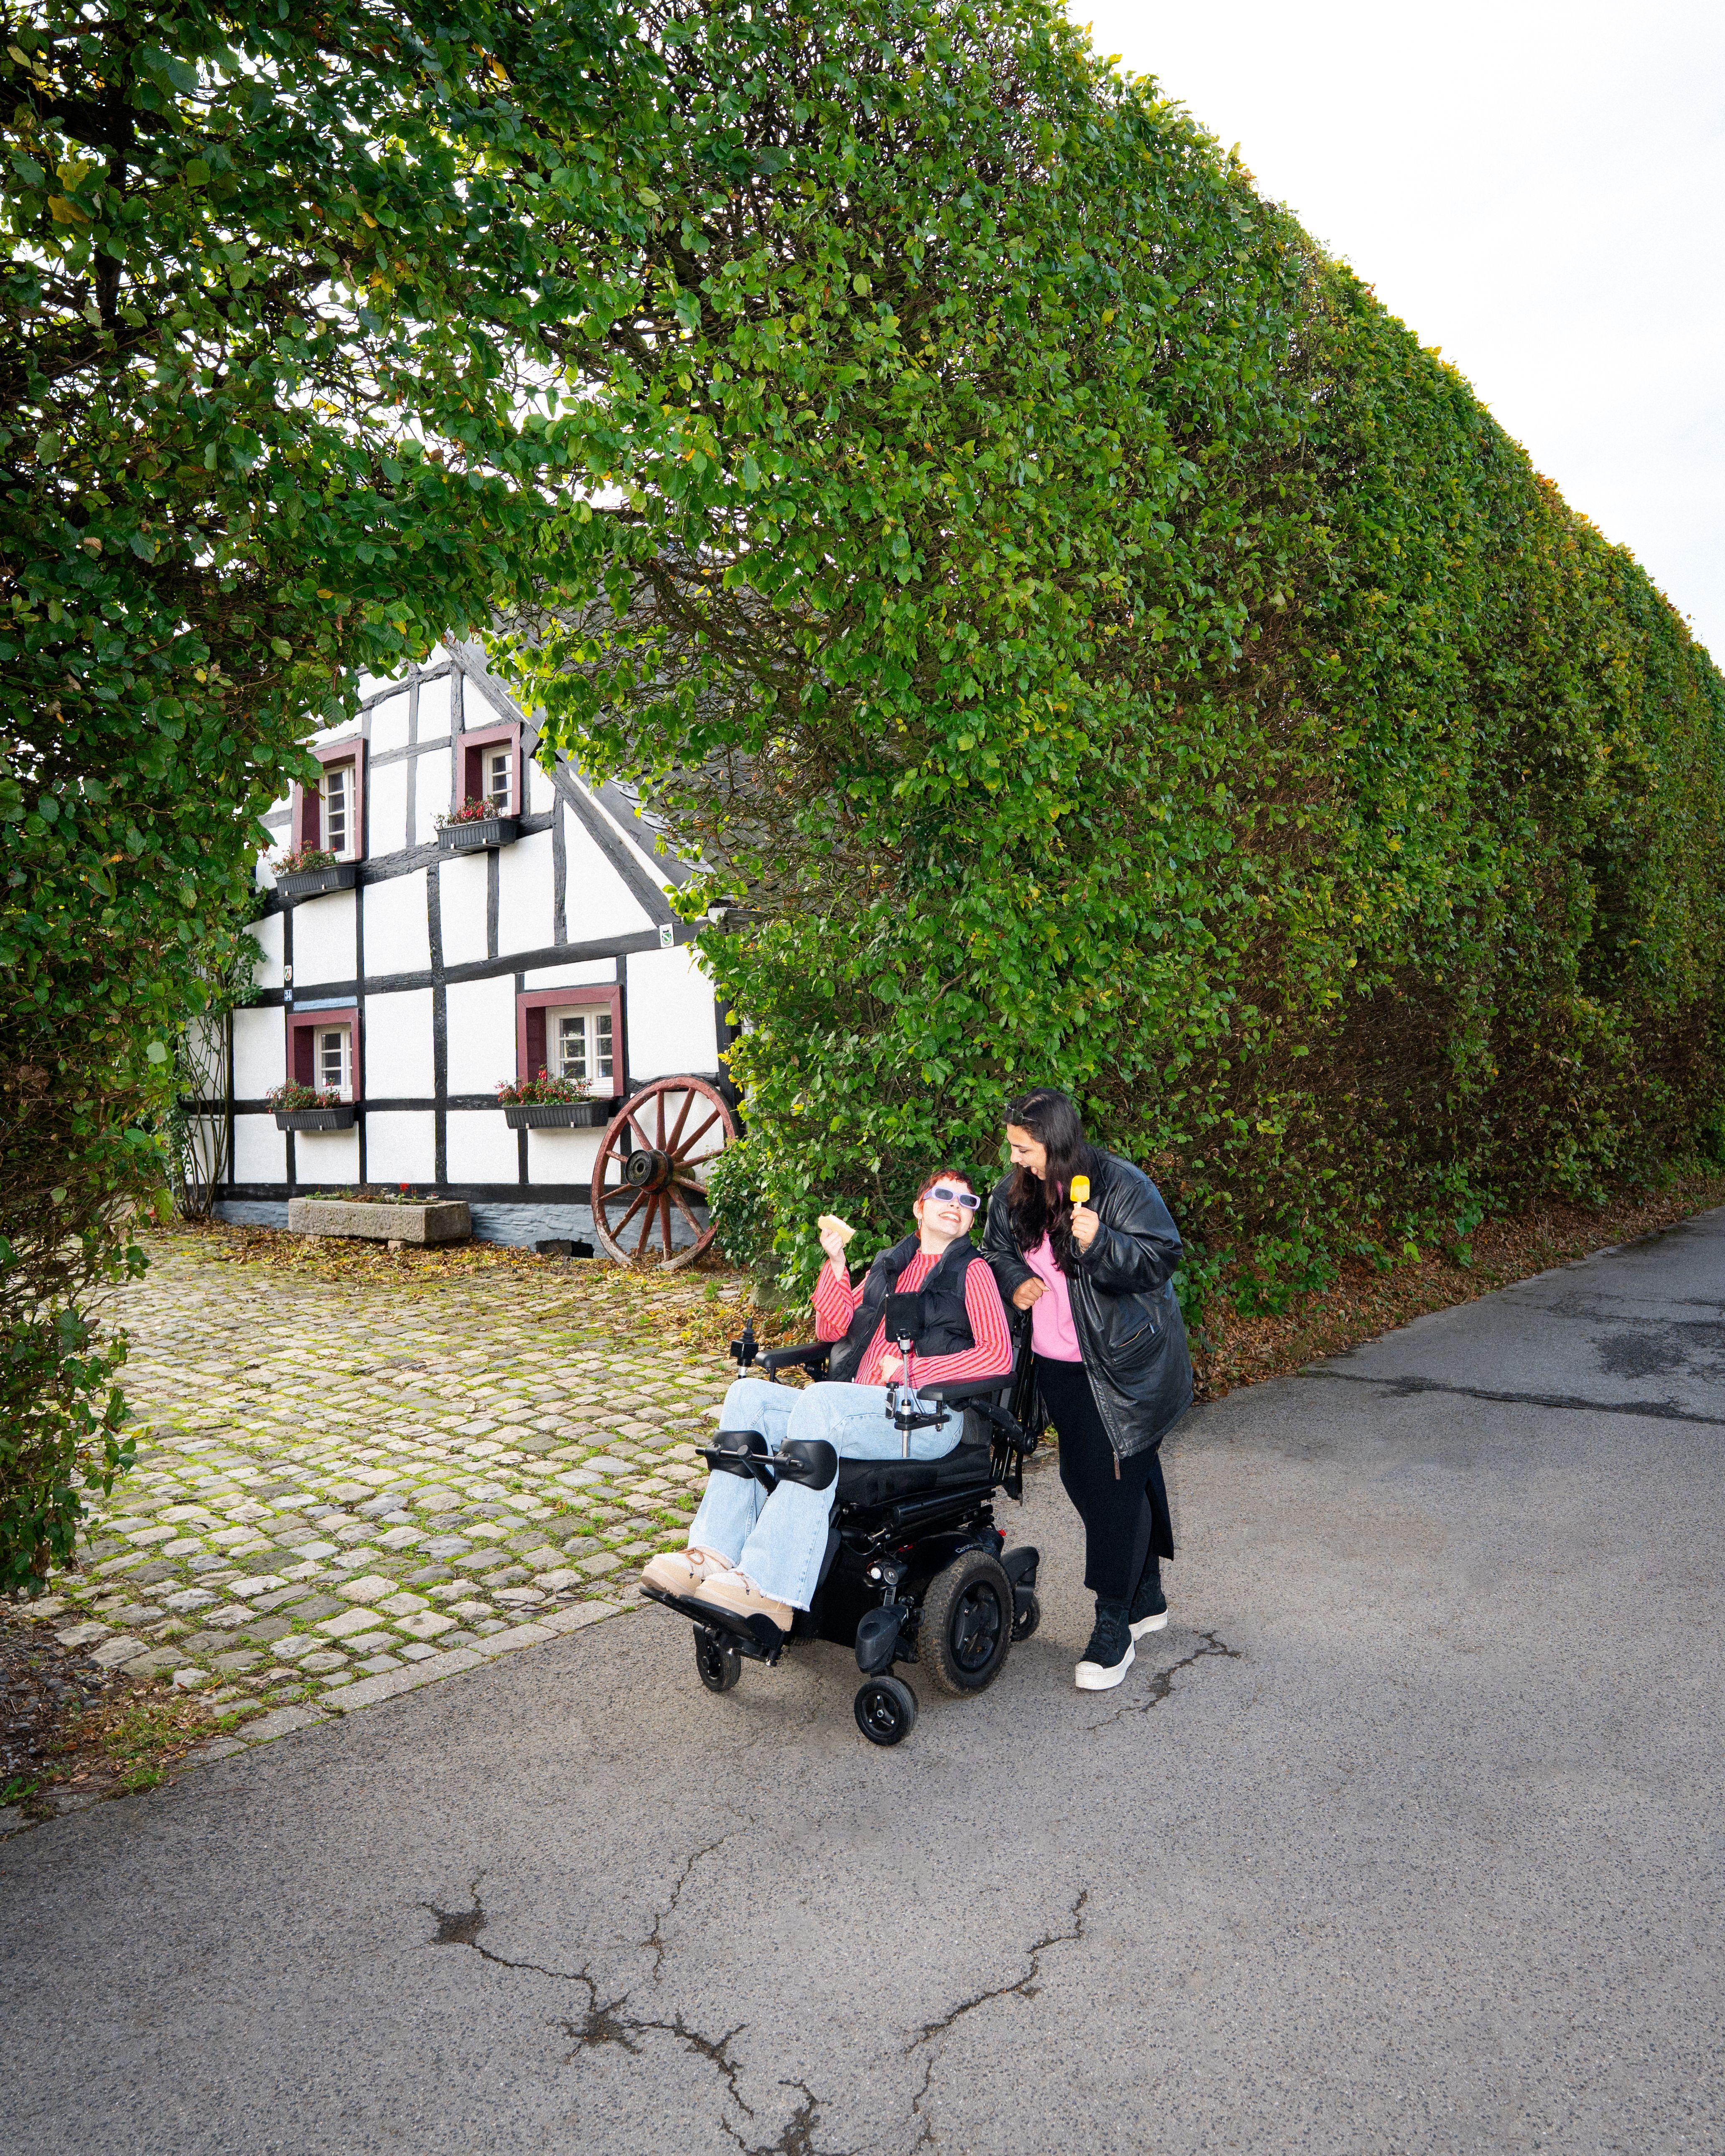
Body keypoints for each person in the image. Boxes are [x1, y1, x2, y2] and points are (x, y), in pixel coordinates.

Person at [642, 1171, 1014, 1630]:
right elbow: (832, 1328)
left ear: (972, 1219)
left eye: (967, 1201)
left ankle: (770, 1585)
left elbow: (997, 1356)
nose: (956, 1204)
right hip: (863, 1408)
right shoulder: (890, 1265)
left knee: (821, 1404)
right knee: (748, 1395)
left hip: (926, 1417)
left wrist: (912, 1372)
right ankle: (714, 1553)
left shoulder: (973, 1272)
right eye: (944, 1195)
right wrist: (837, 1263)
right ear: (920, 1208)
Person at [982, 1087, 1193, 1691]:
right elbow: (995, 1250)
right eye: (1012, 1147)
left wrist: (1102, 1244)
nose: (1015, 1158)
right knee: (1092, 1477)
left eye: (1025, 1148)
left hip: (1124, 1367)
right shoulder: (1014, 1193)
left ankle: (1112, 1623)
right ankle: (1146, 1594)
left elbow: (1162, 1257)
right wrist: (1015, 1278)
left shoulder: (1122, 1185)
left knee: (1112, 1490)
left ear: (1056, 1142)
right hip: (1057, 1366)